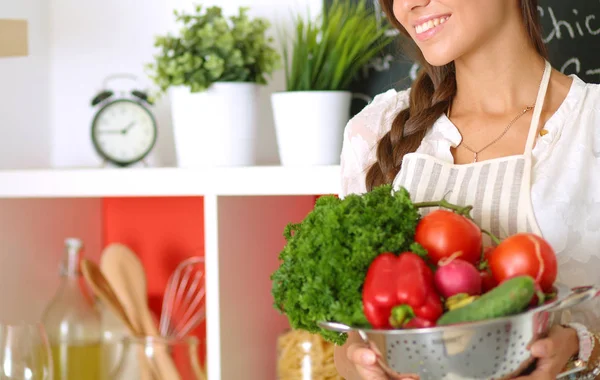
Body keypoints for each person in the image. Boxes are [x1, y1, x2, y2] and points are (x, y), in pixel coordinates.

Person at [333, 0, 600, 379]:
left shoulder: (592, 125)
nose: (408, 4)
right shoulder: (373, 133)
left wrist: (582, 347)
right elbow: (350, 345)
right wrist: (357, 365)